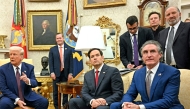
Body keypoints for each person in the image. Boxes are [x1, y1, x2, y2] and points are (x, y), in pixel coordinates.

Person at [110, 40, 184, 109]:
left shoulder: (172, 72)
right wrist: (126, 104)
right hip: (145, 105)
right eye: (145, 52)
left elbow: (168, 100)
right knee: (115, 105)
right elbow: (130, 94)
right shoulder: (138, 73)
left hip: (166, 107)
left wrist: (140, 107)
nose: (149, 55)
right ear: (142, 57)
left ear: (160, 55)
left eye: (152, 51)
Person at [49, 33, 73, 109]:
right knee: (55, 92)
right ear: (56, 40)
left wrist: (70, 73)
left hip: (65, 73)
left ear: (63, 38)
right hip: (56, 74)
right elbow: (50, 62)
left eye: (60, 38)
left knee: (65, 91)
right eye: (57, 38)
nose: (59, 39)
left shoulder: (69, 49)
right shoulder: (52, 49)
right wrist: (52, 72)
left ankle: (65, 106)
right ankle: (57, 107)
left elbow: (71, 62)